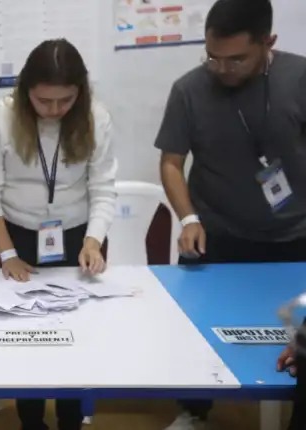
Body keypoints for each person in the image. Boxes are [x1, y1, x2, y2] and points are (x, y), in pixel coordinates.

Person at [155, 0, 306, 428]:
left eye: (237, 58)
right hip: (215, 232)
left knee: (300, 337)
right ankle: (194, 412)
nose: (223, 68)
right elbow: (171, 162)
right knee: (195, 331)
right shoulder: (188, 89)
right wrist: (188, 219)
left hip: (294, 235)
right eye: (213, 57)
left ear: (268, 43)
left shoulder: (300, 78)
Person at [0, 39, 117, 430]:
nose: (54, 111)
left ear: (80, 94)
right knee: (26, 335)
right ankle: (31, 421)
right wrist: (7, 254)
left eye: (65, 101)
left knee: (77, 333)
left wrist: (93, 241)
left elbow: (103, 188)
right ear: (24, 92)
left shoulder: (96, 118)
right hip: (16, 236)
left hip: (76, 236)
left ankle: (71, 419)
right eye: (43, 101)